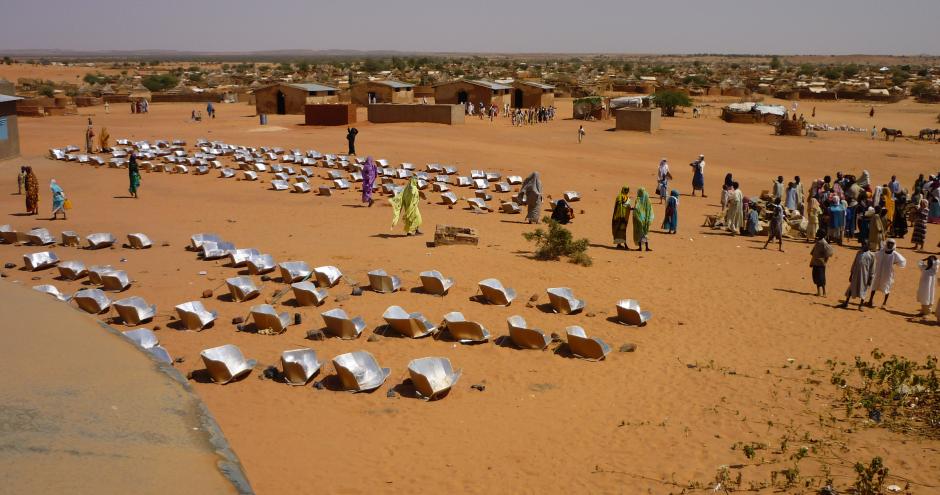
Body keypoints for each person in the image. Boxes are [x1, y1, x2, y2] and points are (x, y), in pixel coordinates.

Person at [868, 239, 906, 307]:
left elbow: (902, 261)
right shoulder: (882, 251)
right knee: (874, 286)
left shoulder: (895, 254)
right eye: (889, 243)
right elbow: (875, 255)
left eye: (892, 243)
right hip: (879, 271)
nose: (890, 245)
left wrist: (895, 262)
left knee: (887, 287)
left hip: (888, 273)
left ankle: (884, 303)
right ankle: (870, 301)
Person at [840, 242, 875, 311]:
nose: (863, 246)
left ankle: (861, 305)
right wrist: (851, 274)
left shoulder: (871, 255)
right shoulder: (859, 253)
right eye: (863, 244)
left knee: (863, 289)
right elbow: (854, 262)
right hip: (856, 274)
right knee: (851, 287)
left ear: (868, 245)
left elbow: (872, 268)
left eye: (865, 244)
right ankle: (846, 302)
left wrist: (870, 278)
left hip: (865, 276)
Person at [632, 187, 653, 251]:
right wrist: (648, 218)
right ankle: (646, 247)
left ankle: (640, 247)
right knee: (645, 233)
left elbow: (637, 208)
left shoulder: (638, 199)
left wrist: (632, 209)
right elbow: (650, 209)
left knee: (639, 232)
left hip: (639, 218)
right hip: (646, 219)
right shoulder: (648, 199)